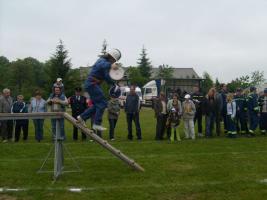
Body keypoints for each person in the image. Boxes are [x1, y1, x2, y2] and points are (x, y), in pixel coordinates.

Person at [77, 49, 121, 131]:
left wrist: (114, 84)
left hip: (92, 84)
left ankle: (81, 117)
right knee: (103, 103)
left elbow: (106, 77)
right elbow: (103, 65)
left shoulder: (105, 63)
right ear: (112, 57)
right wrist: (111, 66)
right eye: (114, 61)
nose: (113, 62)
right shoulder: (102, 61)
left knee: (97, 105)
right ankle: (96, 124)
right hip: (91, 84)